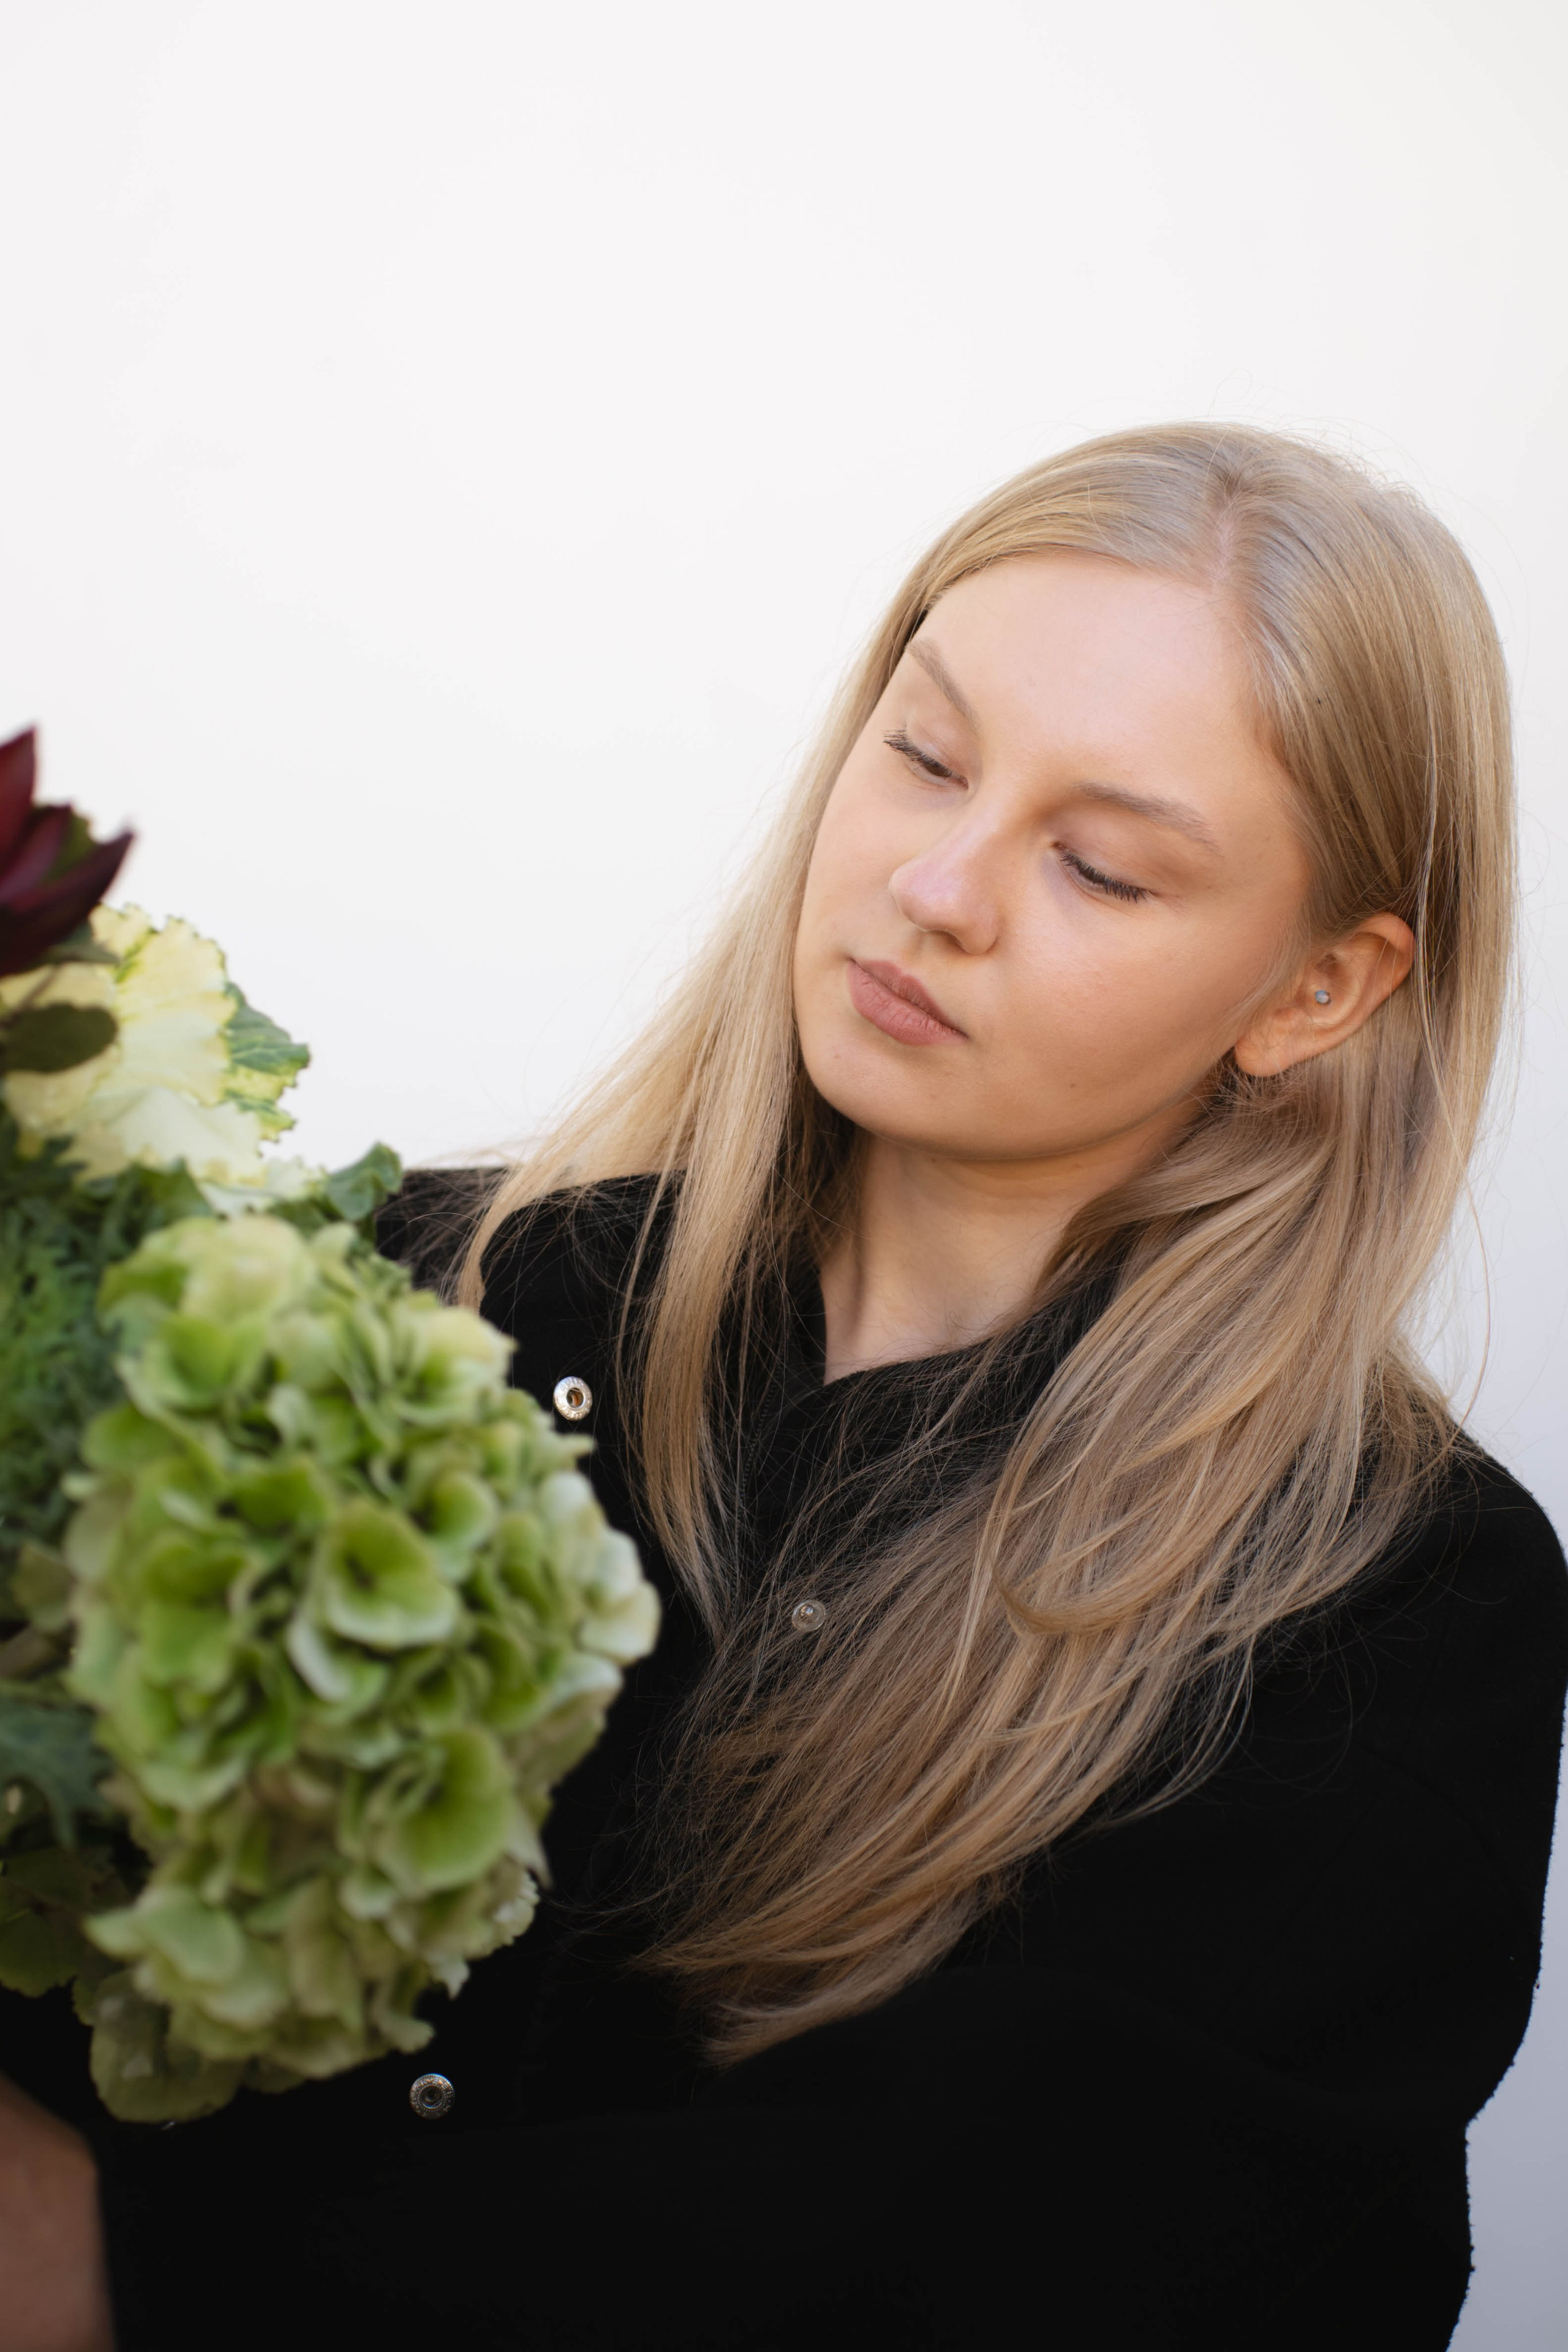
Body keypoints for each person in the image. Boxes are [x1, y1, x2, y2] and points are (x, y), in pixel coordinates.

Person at [2, 423, 1564, 2351]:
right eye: (922, 753)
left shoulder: (1391, 1595)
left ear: (1315, 991)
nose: (940, 884)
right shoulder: (408, 1289)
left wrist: (130, 2266)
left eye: (1102, 865)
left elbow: (1023, 2253)